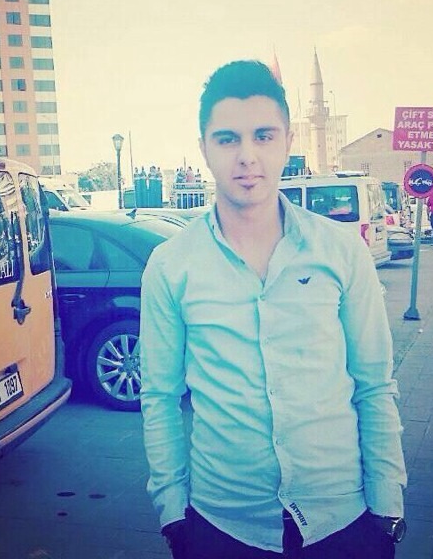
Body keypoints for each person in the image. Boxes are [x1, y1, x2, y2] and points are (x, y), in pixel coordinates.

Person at [140, 60, 407, 559]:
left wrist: (387, 506)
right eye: (227, 139)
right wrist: (173, 514)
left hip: (344, 520)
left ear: (288, 141)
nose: (247, 156)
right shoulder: (172, 265)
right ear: (204, 148)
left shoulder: (340, 250)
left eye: (263, 136)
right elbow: (159, 396)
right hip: (222, 526)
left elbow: (373, 383)